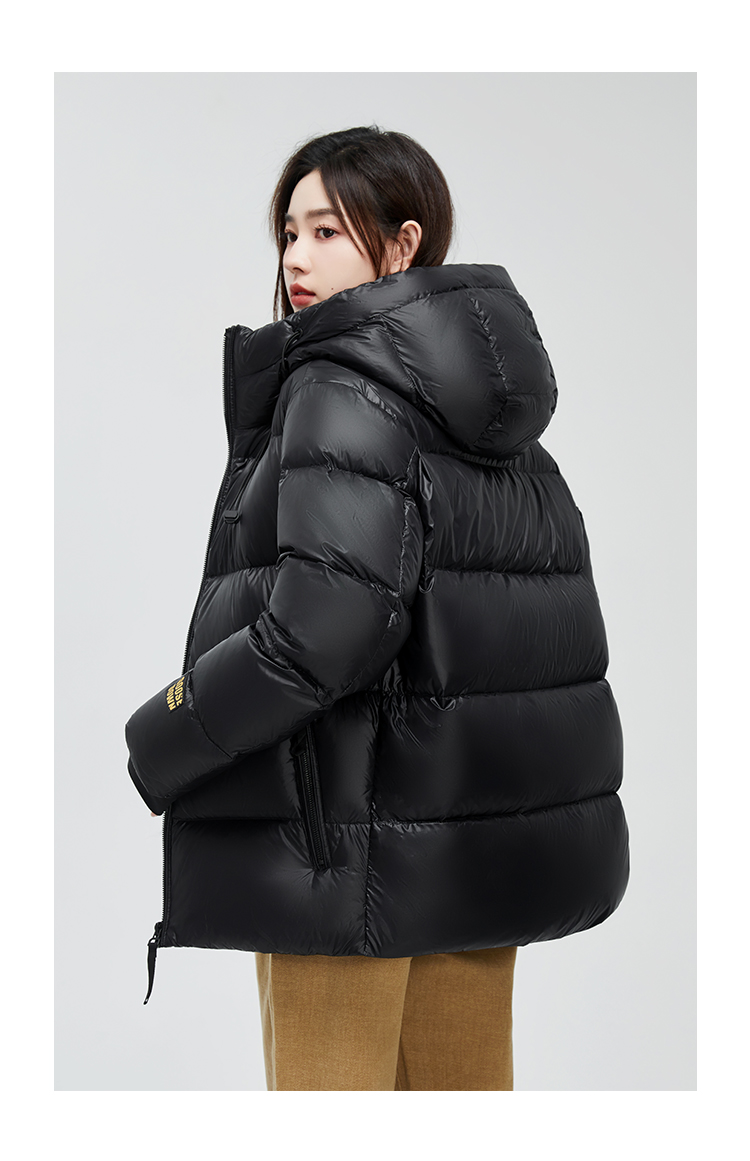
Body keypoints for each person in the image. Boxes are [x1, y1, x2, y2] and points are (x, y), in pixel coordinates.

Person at [125, 125, 629, 1091]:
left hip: (344, 849)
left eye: (326, 231)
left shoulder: (341, 385)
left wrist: (171, 733)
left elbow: (325, 626)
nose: (296, 258)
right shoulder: (498, 422)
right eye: (288, 232)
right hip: (467, 852)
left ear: (402, 245)